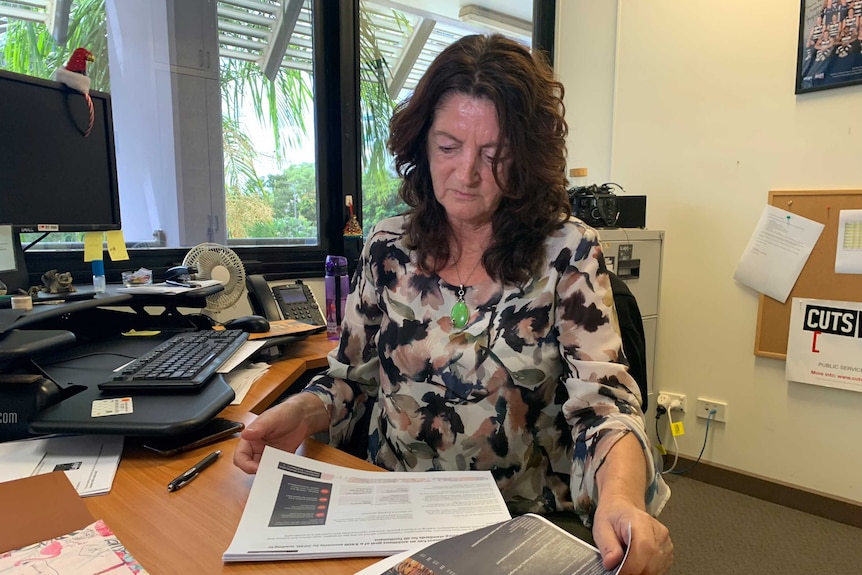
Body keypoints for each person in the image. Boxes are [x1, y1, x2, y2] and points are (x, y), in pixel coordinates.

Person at [235, 34, 672, 574]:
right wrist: (303, 412)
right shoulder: (388, 247)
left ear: (527, 160)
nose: (466, 174)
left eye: (495, 156)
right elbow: (352, 381)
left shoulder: (568, 251)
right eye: (448, 147)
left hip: (519, 526)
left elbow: (604, 406)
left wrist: (622, 497)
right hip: (391, 519)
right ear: (421, 144)